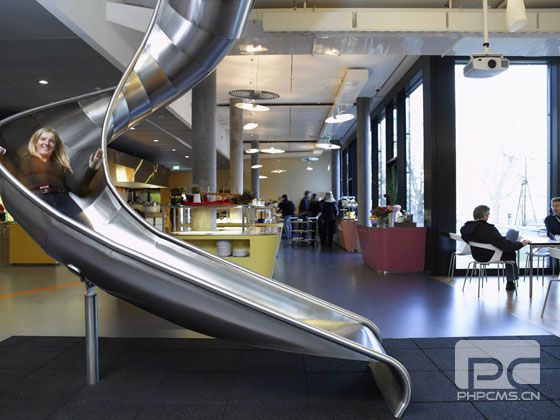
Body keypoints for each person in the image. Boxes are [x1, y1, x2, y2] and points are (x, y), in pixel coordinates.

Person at [0, 127, 103, 226]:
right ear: (35, 142)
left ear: (55, 146)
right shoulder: (23, 161)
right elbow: (7, 172)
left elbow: (78, 190)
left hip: (63, 201)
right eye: (43, 139)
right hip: (37, 201)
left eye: (51, 141)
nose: (47, 143)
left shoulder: (61, 166)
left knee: (85, 230)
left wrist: (92, 168)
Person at [460, 204, 529, 291]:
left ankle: (511, 238)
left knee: (509, 238)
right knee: (510, 251)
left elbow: (483, 240)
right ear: (485, 215)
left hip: (477, 255)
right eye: (488, 214)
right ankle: (510, 282)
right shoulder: (488, 228)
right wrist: (521, 244)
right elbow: (505, 246)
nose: (489, 215)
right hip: (491, 255)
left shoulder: (466, 228)